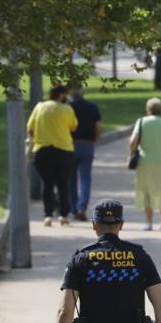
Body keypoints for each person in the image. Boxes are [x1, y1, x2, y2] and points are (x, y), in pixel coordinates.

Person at [128, 98, 161, 231]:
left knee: (146, 191)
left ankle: (149, 222)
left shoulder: (141, 122)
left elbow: (132, 142)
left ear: (148, 110)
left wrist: (131, 155)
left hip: (145, 162)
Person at [28, 84, 78, 226]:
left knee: (48, 184)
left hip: (42, 150)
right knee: (63, 184)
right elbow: (73, 126)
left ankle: (48, 215)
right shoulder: (67, 109)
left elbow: (30, 128)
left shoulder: (39, 107)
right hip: (64, 150)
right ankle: (64, 215)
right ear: (62, 95)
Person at [67, 85, 103, 222]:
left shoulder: (67, 108)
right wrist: (95, 139)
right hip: (87, 144)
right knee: (85, 178)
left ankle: (73, 209)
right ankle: (82, 207)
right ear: (83, 92)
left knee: (70, 179)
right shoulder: (92, 107)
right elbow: (98, 126)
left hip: (69, 145)